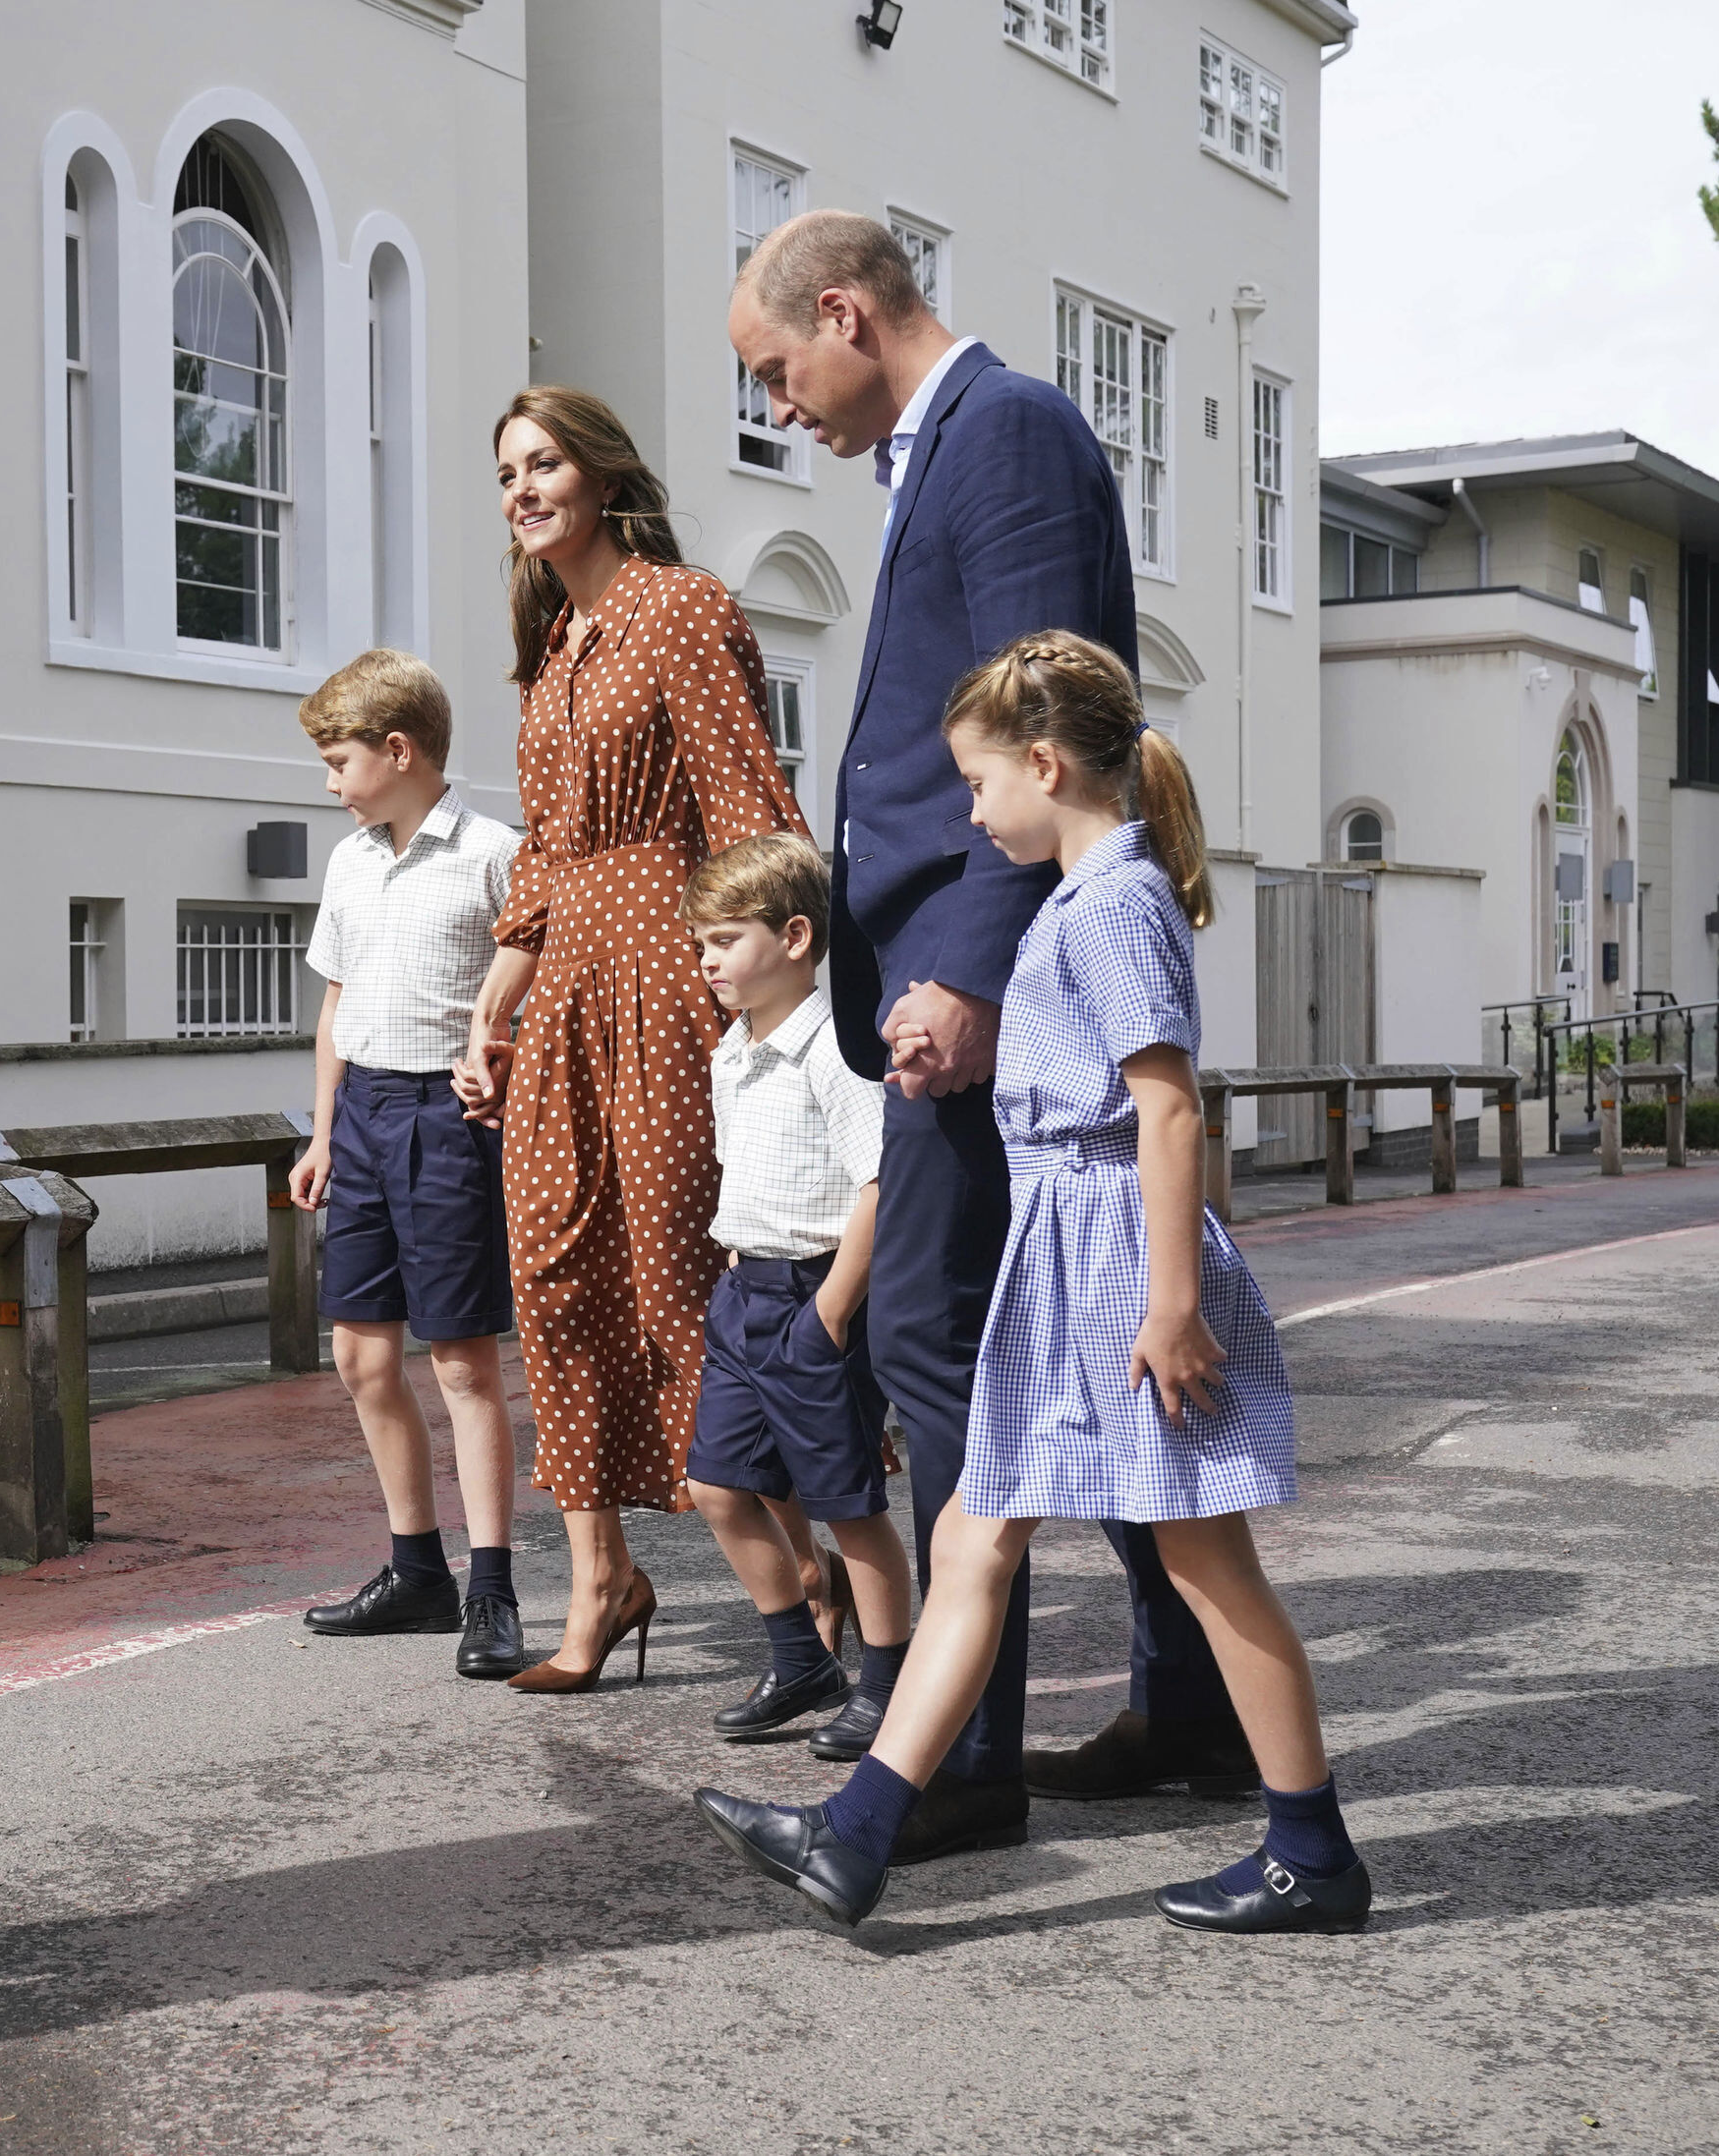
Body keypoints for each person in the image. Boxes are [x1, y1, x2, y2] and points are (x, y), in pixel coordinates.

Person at [696, 631, 1366, 1939]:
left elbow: (1166, 1112)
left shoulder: (1113, 902)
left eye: (981, 781)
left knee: (1211, 1564)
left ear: (1047, 765)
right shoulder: (1084, 896)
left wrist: (1173, 1304)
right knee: (971, 1537)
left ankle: (1312, 1847)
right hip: (1064, 1256)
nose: (969, 807)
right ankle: (861, 1830)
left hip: (1118, 1262)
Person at [722, 210, 1243, 1859]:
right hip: (951, 973)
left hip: (978, 982)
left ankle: (963, 1764)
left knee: (944, 1345)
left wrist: (968, 964)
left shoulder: (1005, 430)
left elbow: (1052, 723)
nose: (778, 401)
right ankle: (1192, 1705)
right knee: (1072, 1348)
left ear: (851, 314)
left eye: (776, 366)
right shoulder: (943, 447)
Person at [454, 388, 812, 1691]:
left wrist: (769, 994)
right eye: (507, 471)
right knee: (550, 1276)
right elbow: (545, 850)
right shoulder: (555, 645)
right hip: (564, 993)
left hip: (669, 969)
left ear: (603, 474)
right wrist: (495, 1000)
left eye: (543, 462)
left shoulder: (681, 605)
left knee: (677, 1277)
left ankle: (812, 1575)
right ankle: (601, 1578)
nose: (522, 488)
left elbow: (749, 806)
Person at [285, 651, 530, 1679]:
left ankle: (493, 1589)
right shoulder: (347, 861)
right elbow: (334, 1007)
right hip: (368, 1117)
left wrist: (498, 1072)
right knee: (359, 1358)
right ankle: (414, 1570)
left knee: (462, 1362)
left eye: (337, 761)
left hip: (447, 1121)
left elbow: (533, 997)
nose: (328, 782)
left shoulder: (493, 854)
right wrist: (321, 1130)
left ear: (398, 750)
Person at [676, 835, 916, 1747]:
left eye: (725, 941)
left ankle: (888, 1684)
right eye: (702, 944)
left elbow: (879, 1184)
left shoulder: (836, 1049)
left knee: (848, 1506)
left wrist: (830, 1313)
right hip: (745, 1292)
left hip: (817, 1297)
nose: (707, 963)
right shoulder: (733, 1051)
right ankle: (801, 1661)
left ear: (796, 936)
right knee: (716, 1486)